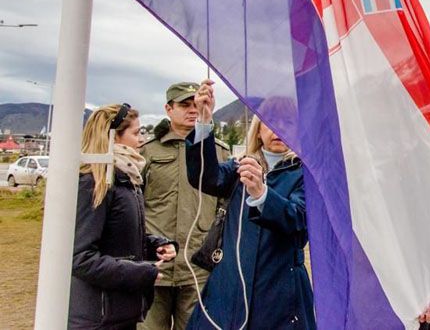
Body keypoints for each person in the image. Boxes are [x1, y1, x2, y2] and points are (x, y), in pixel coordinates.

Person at [184, 80, 315, 329]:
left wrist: (263, 194)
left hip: (280, 293)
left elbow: (298, 221)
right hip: (229, 288)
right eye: (272, 122)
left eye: (288, 123)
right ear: (258, 129)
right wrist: (202, 121)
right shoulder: (239, 167)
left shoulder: (304, 175)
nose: (279, 130)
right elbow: (205, 177)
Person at [70, 104, 177, 329]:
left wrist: (153, 245)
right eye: (136, 133)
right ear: (113, 137)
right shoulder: (94, 183)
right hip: (97, 319)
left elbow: (116, 240)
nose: (142, 139)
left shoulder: (127, 180)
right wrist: (140, 273)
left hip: (120, 312)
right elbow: (81, 257)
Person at [139, 83, 229, 330]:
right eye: (184, 105)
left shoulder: (218, 152)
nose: (192, 110)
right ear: (168, 109)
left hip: (197, 264)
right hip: (154, 265)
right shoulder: (146, 152)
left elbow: (225, 206)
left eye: (196, 105)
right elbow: (133, 205)